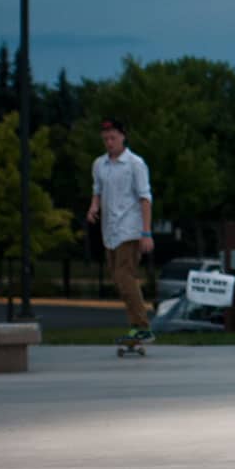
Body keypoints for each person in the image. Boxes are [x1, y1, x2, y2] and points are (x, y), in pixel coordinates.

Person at [87, 117, 154, 340]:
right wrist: (93, 207)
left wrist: (146, 233)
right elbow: (97, 190)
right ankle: (136, 325)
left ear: (123, 137)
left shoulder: (135, 164)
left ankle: (142, 326)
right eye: (105, 139)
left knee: (124, 276)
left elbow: (145, 198)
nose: (109, 142)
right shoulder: (99, 164)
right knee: (119, 280)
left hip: (131, 230)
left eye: (113, 138)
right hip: (110, 231)